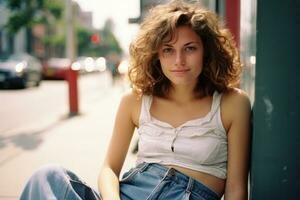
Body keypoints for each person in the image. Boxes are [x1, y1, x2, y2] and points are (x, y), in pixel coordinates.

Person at [20, 0, 251, 199]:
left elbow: (235, 188)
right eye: (168, 50)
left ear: (207, 51)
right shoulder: (135, 101)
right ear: (156, 55)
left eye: (189, 48)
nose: (179, 60)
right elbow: (109, 168)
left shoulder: (232, 104)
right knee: (48, 177)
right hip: (130, 192)